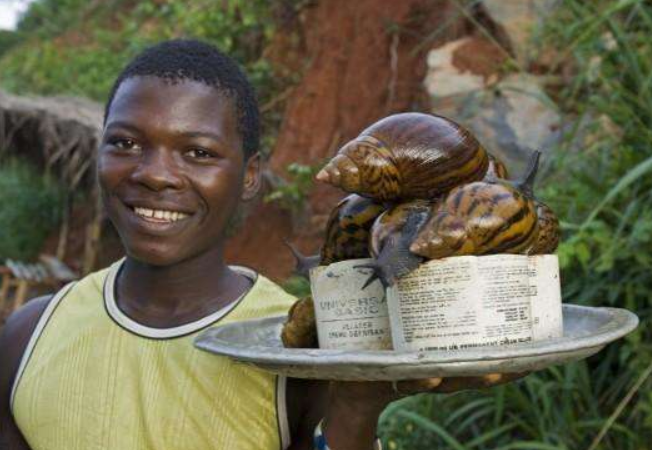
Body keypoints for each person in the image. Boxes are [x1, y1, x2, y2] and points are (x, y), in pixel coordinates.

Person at [0, 39, 523, 450]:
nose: (156, 174)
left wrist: (357, 406)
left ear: (249, 177)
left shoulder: (302, 346)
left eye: (198, 152)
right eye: (126, 143)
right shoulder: (29, 336)